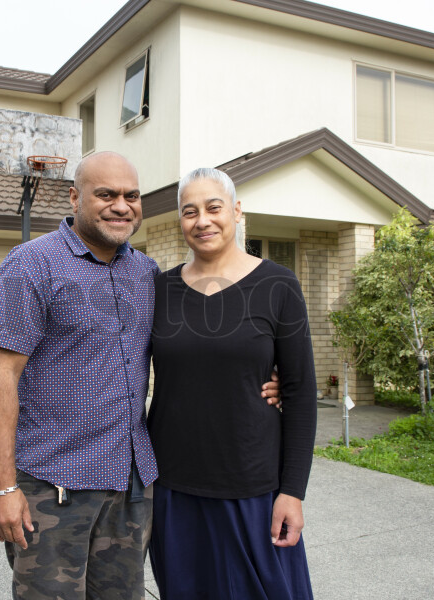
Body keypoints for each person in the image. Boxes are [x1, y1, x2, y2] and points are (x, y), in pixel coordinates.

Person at [0, 152, 282, 599]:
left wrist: (266, 375)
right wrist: (2, 486)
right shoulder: (32, 265)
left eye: (131, 196)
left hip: (131, 486)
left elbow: (193, 349)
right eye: (106, 194)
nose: (121, 205)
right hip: (55, 483)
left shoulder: (144, 273)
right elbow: (0, 376)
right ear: (74, 196)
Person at [147, 167, 317, 600]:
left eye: (213, 207)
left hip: (253, 487)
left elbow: (299, 393)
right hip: (174, 488)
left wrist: (292, 492)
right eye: (190, 212)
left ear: (237, 212)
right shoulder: (159, 289)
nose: (202, 220)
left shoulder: (278, 284)